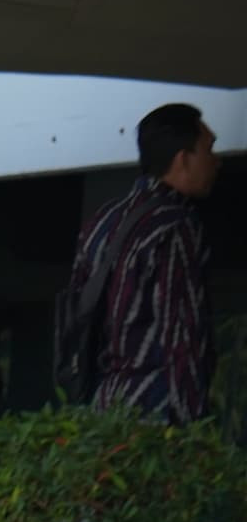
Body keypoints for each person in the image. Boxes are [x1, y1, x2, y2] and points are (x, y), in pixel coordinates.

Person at [61, 102, 221, 424]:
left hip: (102, 406)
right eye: (209, 149)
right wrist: (195, 429)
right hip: (155, 411)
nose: (216, 162)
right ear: (182, 159)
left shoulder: (102, 220)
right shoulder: (174, 226)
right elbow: (181, 337)